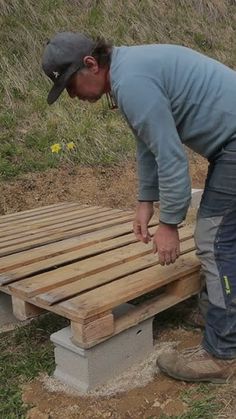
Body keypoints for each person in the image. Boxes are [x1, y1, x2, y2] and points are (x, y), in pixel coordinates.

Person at [42, 32, 236, 383]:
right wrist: (145, 201)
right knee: (221, 236)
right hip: (228, 145)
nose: (72, 96)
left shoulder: (131, 81)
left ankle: (222, 353)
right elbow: (148, 144)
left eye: (71, 85)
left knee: (214, 239)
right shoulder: (129, 72)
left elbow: (171, 156)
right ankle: (216, 313)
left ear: (90, 64)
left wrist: (170, 224)